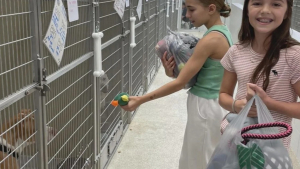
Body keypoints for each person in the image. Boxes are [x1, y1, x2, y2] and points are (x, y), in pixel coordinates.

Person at [121, 0, 233, 168]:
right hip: (211, 106)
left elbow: (180, 83)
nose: (187, 15)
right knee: (201, 157)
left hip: (206, 108)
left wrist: (141, 99)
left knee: (199, 161)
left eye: (191, 9)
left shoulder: (211, 39)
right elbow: (196, 75)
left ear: (211, 9)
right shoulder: (221, 32)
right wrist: (171, 71)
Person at [219, 0, 300, 149]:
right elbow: (223, 95)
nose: (265, 10)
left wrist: (269, 103)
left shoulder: (294, 55)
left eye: (276, 4)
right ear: (247, 9)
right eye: (257, 3)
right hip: (236, 145)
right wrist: (238, 106)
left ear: (287, 11)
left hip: (272, 152)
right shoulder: (236, 51)